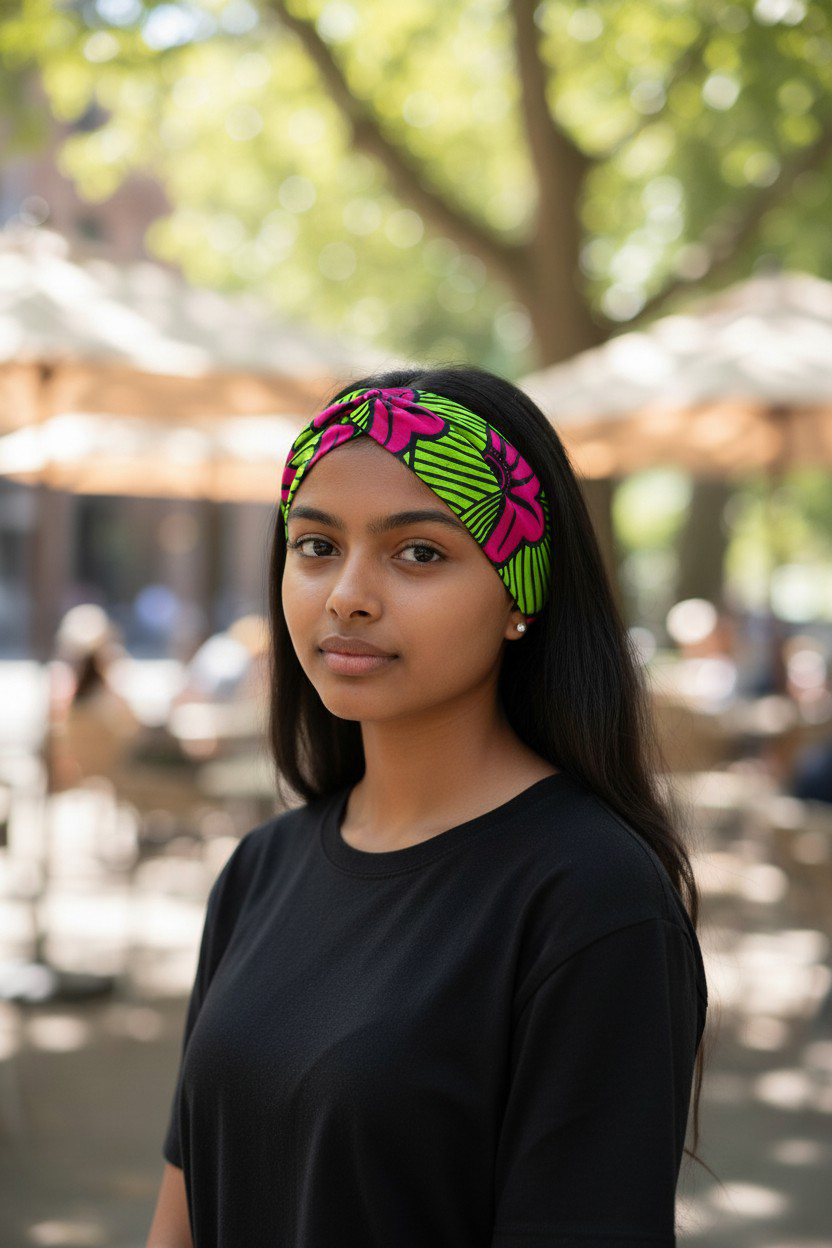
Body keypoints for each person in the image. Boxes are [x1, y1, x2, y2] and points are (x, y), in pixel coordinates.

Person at [147, 368, 708, 1248]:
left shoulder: (595, 902)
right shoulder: (261, 869)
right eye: (316, 545)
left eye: (418, 553)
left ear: (520, 593)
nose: (347, 595)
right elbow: (179, 1218)